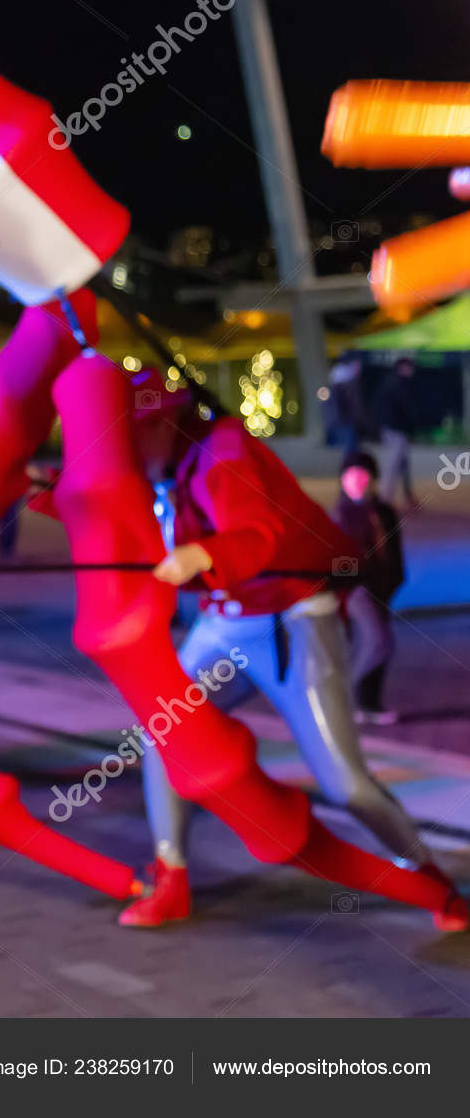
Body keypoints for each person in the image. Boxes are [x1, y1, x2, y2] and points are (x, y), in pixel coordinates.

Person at [117, 375, 462, 930]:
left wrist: (203, 553)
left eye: (129, 441)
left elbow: (259, 532)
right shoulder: (164, 468)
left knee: (344, 782)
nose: (124, 458)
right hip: (224, 622)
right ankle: (171, 873)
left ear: (160, 425)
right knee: (161, 730)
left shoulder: (221, 454)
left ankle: (428, 876)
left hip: (293, 618)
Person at [332, 449, 406, 724]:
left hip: (381, 586)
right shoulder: (342, 514)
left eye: (363, 476)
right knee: (378, 641)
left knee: (374, 642)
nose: (357, 482)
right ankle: (344, 697)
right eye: (351, 476)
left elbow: (395, 554)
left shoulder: (384, 512)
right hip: (355, 589)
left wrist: (392, 582)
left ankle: (368, 704)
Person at [373, 356, 419, 510]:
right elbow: (405, 408)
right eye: (409, 367)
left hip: (393, 428)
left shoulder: (391, 382)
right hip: (395, 429)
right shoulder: (397, 384)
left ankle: (408, 497)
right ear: (402, 368)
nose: (412, 370)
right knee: (393, 464)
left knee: (403, 464)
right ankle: (385, 499)